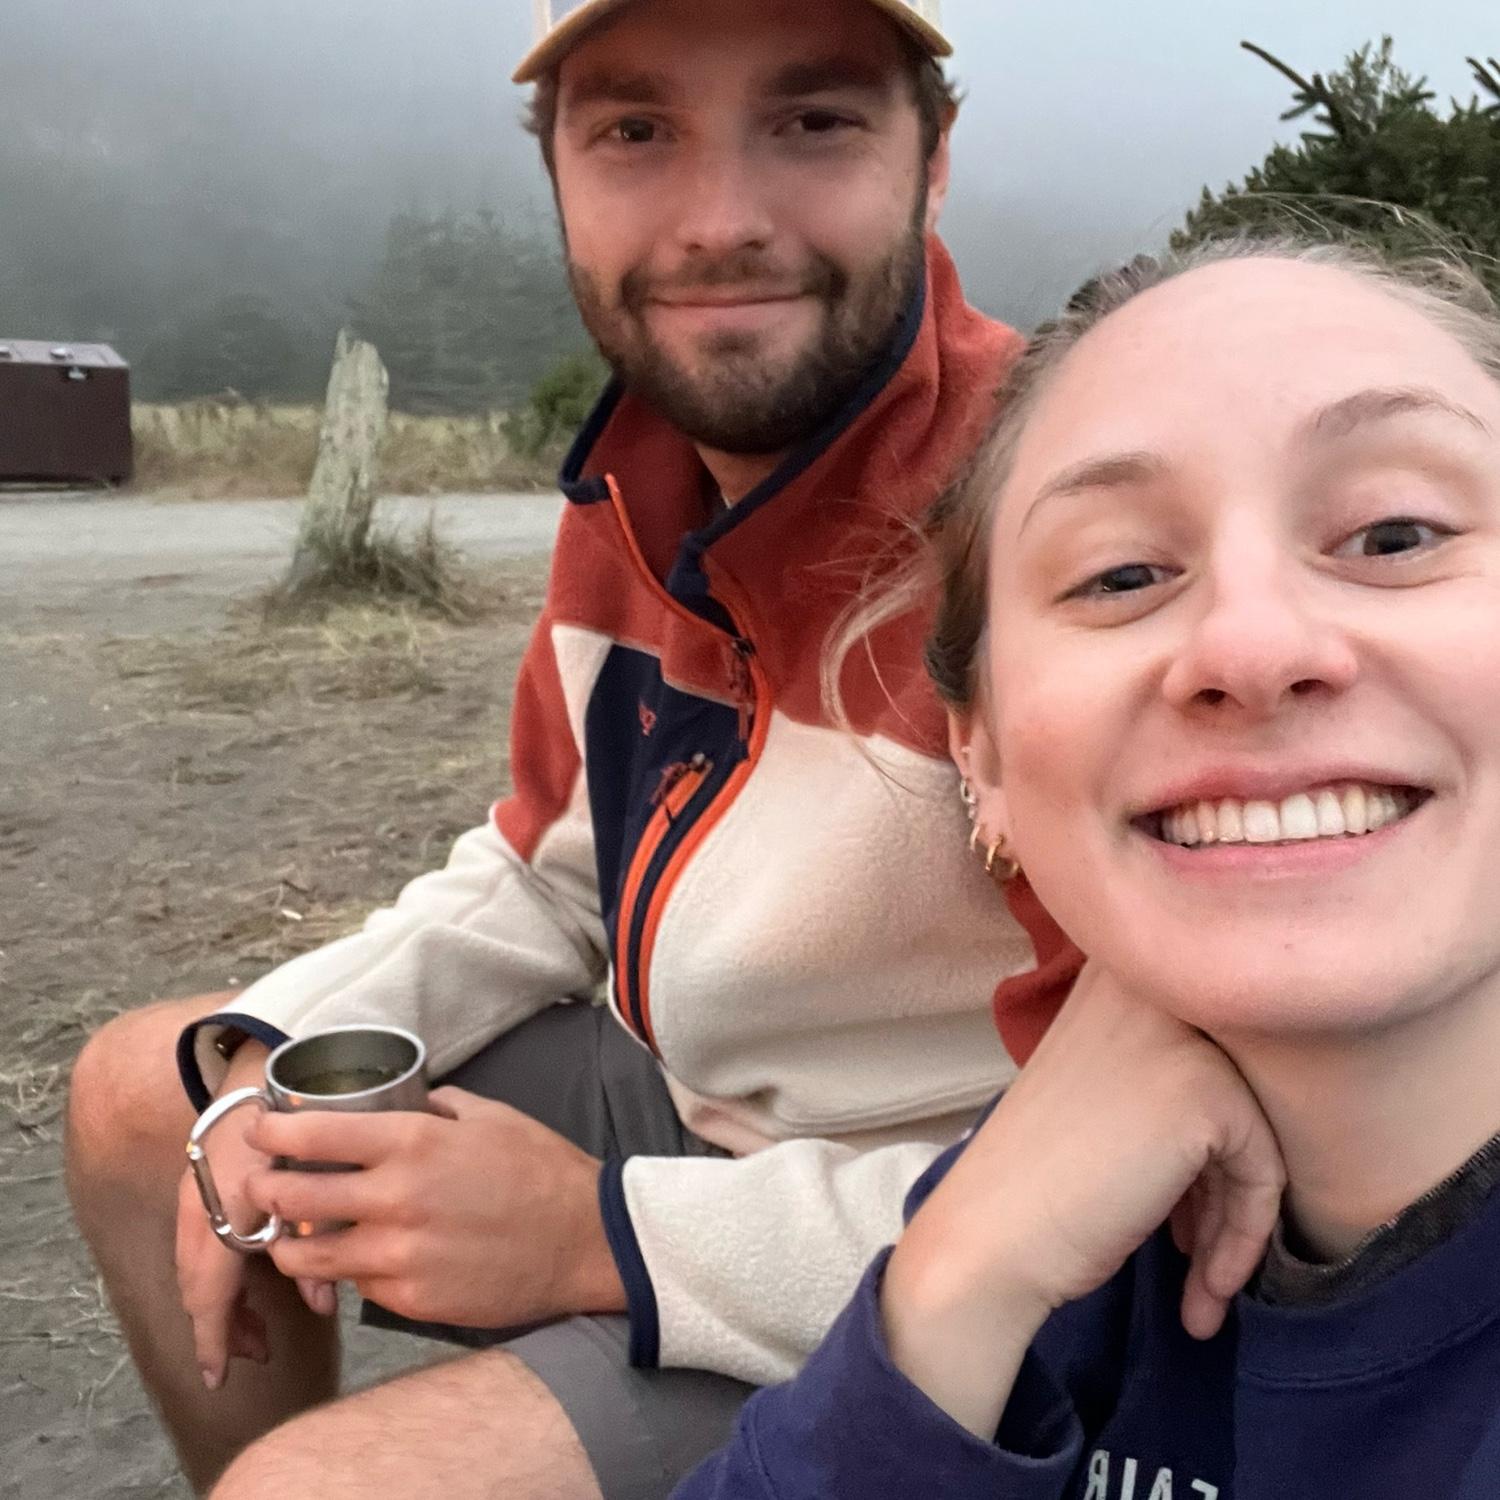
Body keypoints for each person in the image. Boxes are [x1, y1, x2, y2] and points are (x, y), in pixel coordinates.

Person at [64, 1, 1077, 1496]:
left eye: (812, 121)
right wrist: (260, 1064)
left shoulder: (1061, 521)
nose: (720, 222)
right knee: (151, 1099)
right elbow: (550, 877)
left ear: (931, 162)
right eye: (635, 131)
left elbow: (1154, 1178)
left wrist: (603, 1234)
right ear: (557, 174)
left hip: (948, 1252)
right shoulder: (640, 484)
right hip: (690, 1100)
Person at [675, 233, 1500, 1499]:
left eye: (1396, 533)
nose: (1252, 643)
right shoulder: (1063, 1179)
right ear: (982, 756)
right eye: (1121, 574)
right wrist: (955, 1286)